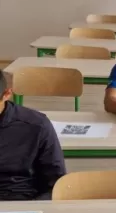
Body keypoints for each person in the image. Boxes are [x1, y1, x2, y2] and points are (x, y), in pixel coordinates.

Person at [0, 70, 66, 200]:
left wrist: (35, 206)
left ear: (6, 94)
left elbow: (55, 182)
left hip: (17, 199)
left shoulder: (36, 125)